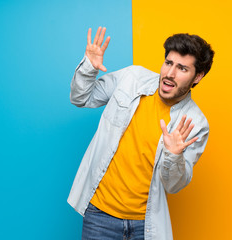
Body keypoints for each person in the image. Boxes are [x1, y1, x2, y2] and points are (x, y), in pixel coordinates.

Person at [67, 26, 214, 240]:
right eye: (168, 63)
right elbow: (81, 98)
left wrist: (174, 155)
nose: (170, 74)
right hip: (100, 215)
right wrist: (89, 67)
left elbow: (173, 186)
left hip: (145, 225)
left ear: (197, 76)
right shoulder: (132, 78)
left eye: (182, 69)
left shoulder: (196, 123)